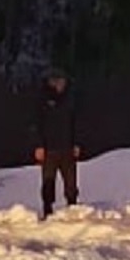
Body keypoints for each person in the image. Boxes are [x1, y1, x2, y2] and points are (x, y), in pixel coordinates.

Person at [32, 67, 82, 218]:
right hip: (49, 148)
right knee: (48, 180)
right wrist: (39, 145)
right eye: (56, 81)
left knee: (71, 181)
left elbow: (76, 123)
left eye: (62, 81)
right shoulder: (42, 100)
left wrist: (76, 143)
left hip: (67, 146)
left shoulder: (70, 99)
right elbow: (37, 124)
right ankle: (47, 208)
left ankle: (72, 205)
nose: (60, 84)